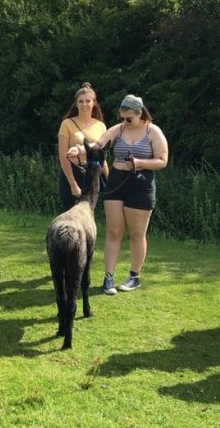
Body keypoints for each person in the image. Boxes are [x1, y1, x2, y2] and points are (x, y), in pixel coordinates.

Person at [71, 94, 168, 295]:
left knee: (136, 233)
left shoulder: (153, 131)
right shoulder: (119, 129)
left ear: (140, 113)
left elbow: (162, 160)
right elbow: (98, 145)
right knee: (114, 231)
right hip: (116, 181)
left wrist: (139, 163)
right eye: (122, 118)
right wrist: (79, 149)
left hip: (141, 185)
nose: (125, 122)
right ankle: (108, 277)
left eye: (129, 118)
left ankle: (134, 276)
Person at [57, 82, 109, 212]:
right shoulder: (67, 124)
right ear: (76, 104)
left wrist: (109, 180)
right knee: (70, 214)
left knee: (88, 216)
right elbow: (63, 156)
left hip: (93, 174)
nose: (84, 105)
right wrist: (73, 184)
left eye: (88, 101)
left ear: (94, 103)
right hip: (73, 171)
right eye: (81, 101)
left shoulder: (100, 126)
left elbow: (102, 156)